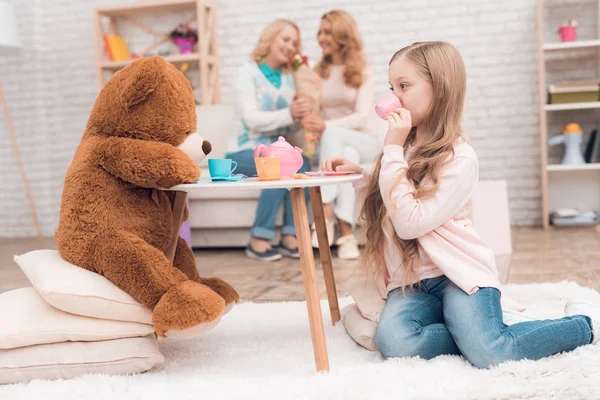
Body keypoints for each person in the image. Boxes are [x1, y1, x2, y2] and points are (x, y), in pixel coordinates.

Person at [320, 41, 600, 368]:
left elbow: (410, 221)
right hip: (412, 281)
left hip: (457, 274)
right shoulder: (402, 147)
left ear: (439, 89)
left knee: (491, 352)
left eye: (404, 86)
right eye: (392, 87)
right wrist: (361, 176)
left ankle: (582, 324)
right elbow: (392, 199)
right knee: (395, 340)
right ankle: (474, 330)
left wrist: (391, 152)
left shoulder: (460, 158)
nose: (394, 98)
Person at [226, 19, 312, 261]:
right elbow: (251, 119)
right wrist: (289, 113)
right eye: (285, 39)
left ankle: (290, 235)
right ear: (270, 39)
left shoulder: (288, 78)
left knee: (302, 163)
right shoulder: (247, 72)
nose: (290, 46)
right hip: (243, 151)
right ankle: (259, 239)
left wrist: (300, 117)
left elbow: (287, 122)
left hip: (275, 151)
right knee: (276, 167)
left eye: (294, 43)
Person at [303, 10, 382, 260]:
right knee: (345, 157)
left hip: (366, 140)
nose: (321, 37)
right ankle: (347, 235)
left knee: (337, 137)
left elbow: (361, 115)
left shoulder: (363, 71)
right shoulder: (318, 72)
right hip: (338, 146)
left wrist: (327, 127)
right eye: (320, 32)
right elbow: (318, 111)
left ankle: (324, 215)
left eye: (327, 32)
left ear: (342, 35)